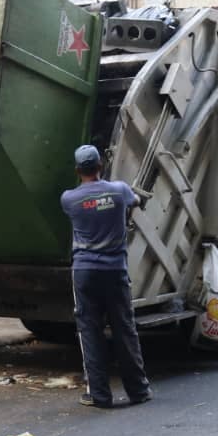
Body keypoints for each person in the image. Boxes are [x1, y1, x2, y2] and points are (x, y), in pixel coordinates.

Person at [60, 145, 152, 408]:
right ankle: (139, 391)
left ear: (78, 171)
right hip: (115, 271)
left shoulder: (68, 199)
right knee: (125, 329)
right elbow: (135, 201)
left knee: (89, 330)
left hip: (85, 272)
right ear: (100, 166)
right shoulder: (120, 190)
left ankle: (99, 395)